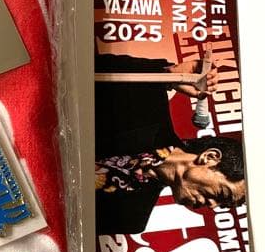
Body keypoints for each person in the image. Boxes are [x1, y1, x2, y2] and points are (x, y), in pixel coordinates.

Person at [95, 53, 245, 235]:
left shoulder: (132, 219)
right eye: (222, 194)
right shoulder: (146, 104)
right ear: (210, 157)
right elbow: (84, 68)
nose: (212, 206)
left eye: (221, 205)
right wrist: (170, 73)